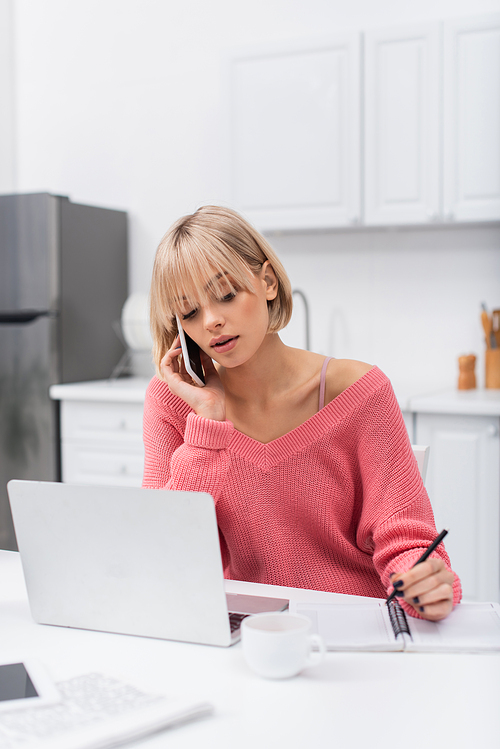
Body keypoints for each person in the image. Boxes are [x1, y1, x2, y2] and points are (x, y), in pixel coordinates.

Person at [143, 205, 461, 622]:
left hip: (356, 625)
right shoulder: (175, 402)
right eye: (189, 312)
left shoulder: (360, 392)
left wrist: (423, 584)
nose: (213, 321)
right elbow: (164, 554)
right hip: (251, 632)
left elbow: (405, 539)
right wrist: (207, 423)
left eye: (226, 295)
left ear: (268, 282)